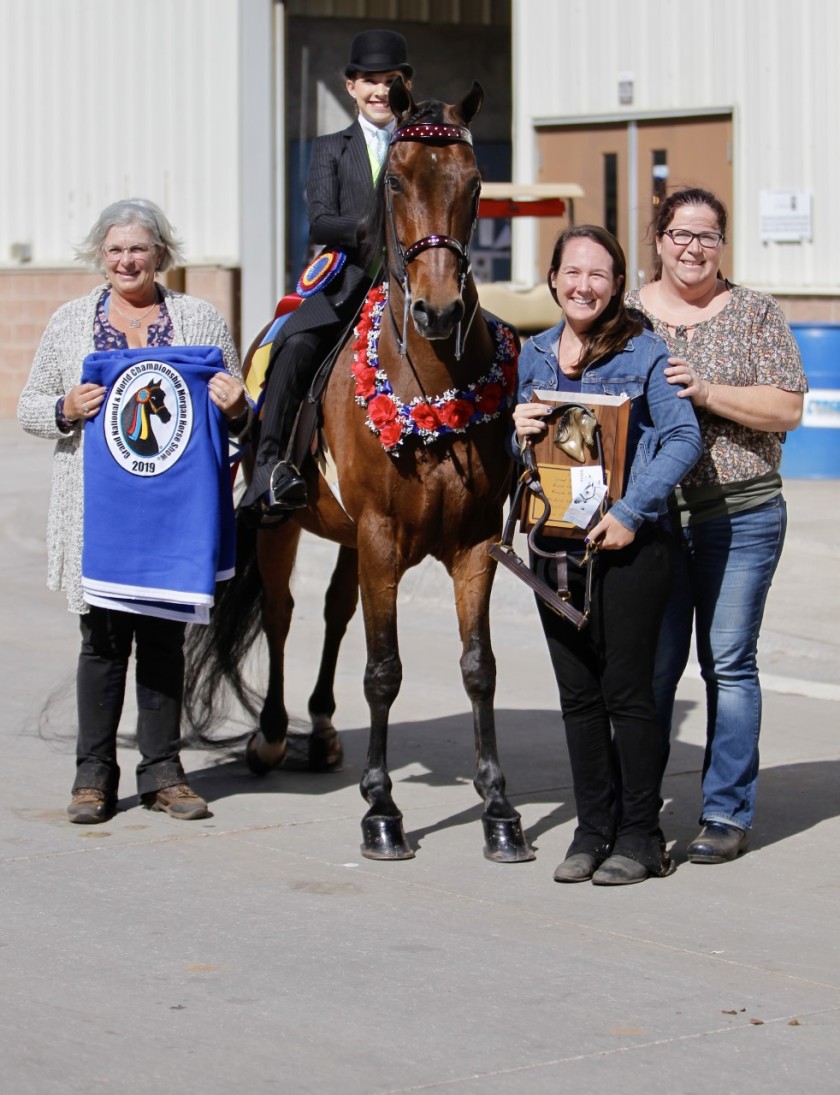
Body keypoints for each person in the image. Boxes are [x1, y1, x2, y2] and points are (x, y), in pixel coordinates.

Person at [18, 198, 248, 824]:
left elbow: (237, 414)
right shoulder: (71, 323)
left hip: (174, 517)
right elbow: (29, 406)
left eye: (138, 249)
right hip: (98, 516)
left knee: (164, 640)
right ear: (101, 256)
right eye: (116, 250)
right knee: (102, 641)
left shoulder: (199, 319)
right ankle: (93, 777)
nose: (127, 260)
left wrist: (236, 406)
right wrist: (65, 407)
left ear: (160, 255)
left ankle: (164, 773)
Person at [513, 225, 702, 886]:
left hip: (627, 548)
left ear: (618, 283)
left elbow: (683, 439)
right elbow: (530, 456)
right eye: (572, 272)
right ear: (554, 277)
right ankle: (592, 829)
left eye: (598, 274)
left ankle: (641, 834)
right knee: (577, 696)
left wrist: (631, 511)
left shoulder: (646, 352)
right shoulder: (533, 355)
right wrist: (518, 431)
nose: (584, 285)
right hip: (554, 544)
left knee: (627, 694)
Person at [626, 187, 807, 864]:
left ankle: (726, 811)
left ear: (722, 245)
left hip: (744, 513)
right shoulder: (628, 312)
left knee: (728, 662)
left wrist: (705, 392)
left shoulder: (757, 312)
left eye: (707, 236)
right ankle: (636, 807)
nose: (693, 248)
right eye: (681, 234)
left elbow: (786, 406)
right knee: (653, 667)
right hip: (653, 522)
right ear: (659, 238)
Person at [240, 28, 413, 522]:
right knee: (294, 346)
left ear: (405, 87)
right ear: (351, 87)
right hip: (347, 284)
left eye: (391, 81)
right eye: (371, 81)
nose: (381, 91)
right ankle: (271, 468)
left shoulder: (418, 143)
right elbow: (319, 220)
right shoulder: (331, 148)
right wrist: (374, 227)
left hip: (410, 287)